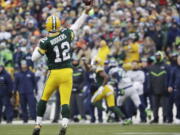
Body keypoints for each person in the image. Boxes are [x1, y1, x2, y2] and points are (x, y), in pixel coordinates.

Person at [31, 5, 93, 135]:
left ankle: (38, 124)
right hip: (67, 72)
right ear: (59, 25)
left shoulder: (45, 41)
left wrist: (40, 45)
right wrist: (85, 12)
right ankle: (64, 124)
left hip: (54, 73)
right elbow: (76, 26)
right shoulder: (65, 34)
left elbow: (34, 58)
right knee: (65, 101)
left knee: (44, 99)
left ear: (47, 26)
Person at [149, 51, 169, 123]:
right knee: (155, 106)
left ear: (161, 56)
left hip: (164, 89)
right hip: (154, 89)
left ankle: (165, 118)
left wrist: (167, 86)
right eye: (156, 56)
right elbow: (149, 78)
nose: (157, 57)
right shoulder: (152, 67)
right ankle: (155, 118)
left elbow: (169, 77)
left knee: (165, 105)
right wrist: (150, 87)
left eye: (158, 56)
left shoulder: (166, 66)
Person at [168, 55, 180, 124]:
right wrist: (170, 86)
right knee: (178, 104)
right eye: (179, 60)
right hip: (177, 90)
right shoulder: (174, 69)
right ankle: (178, 117)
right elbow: (171, 79)